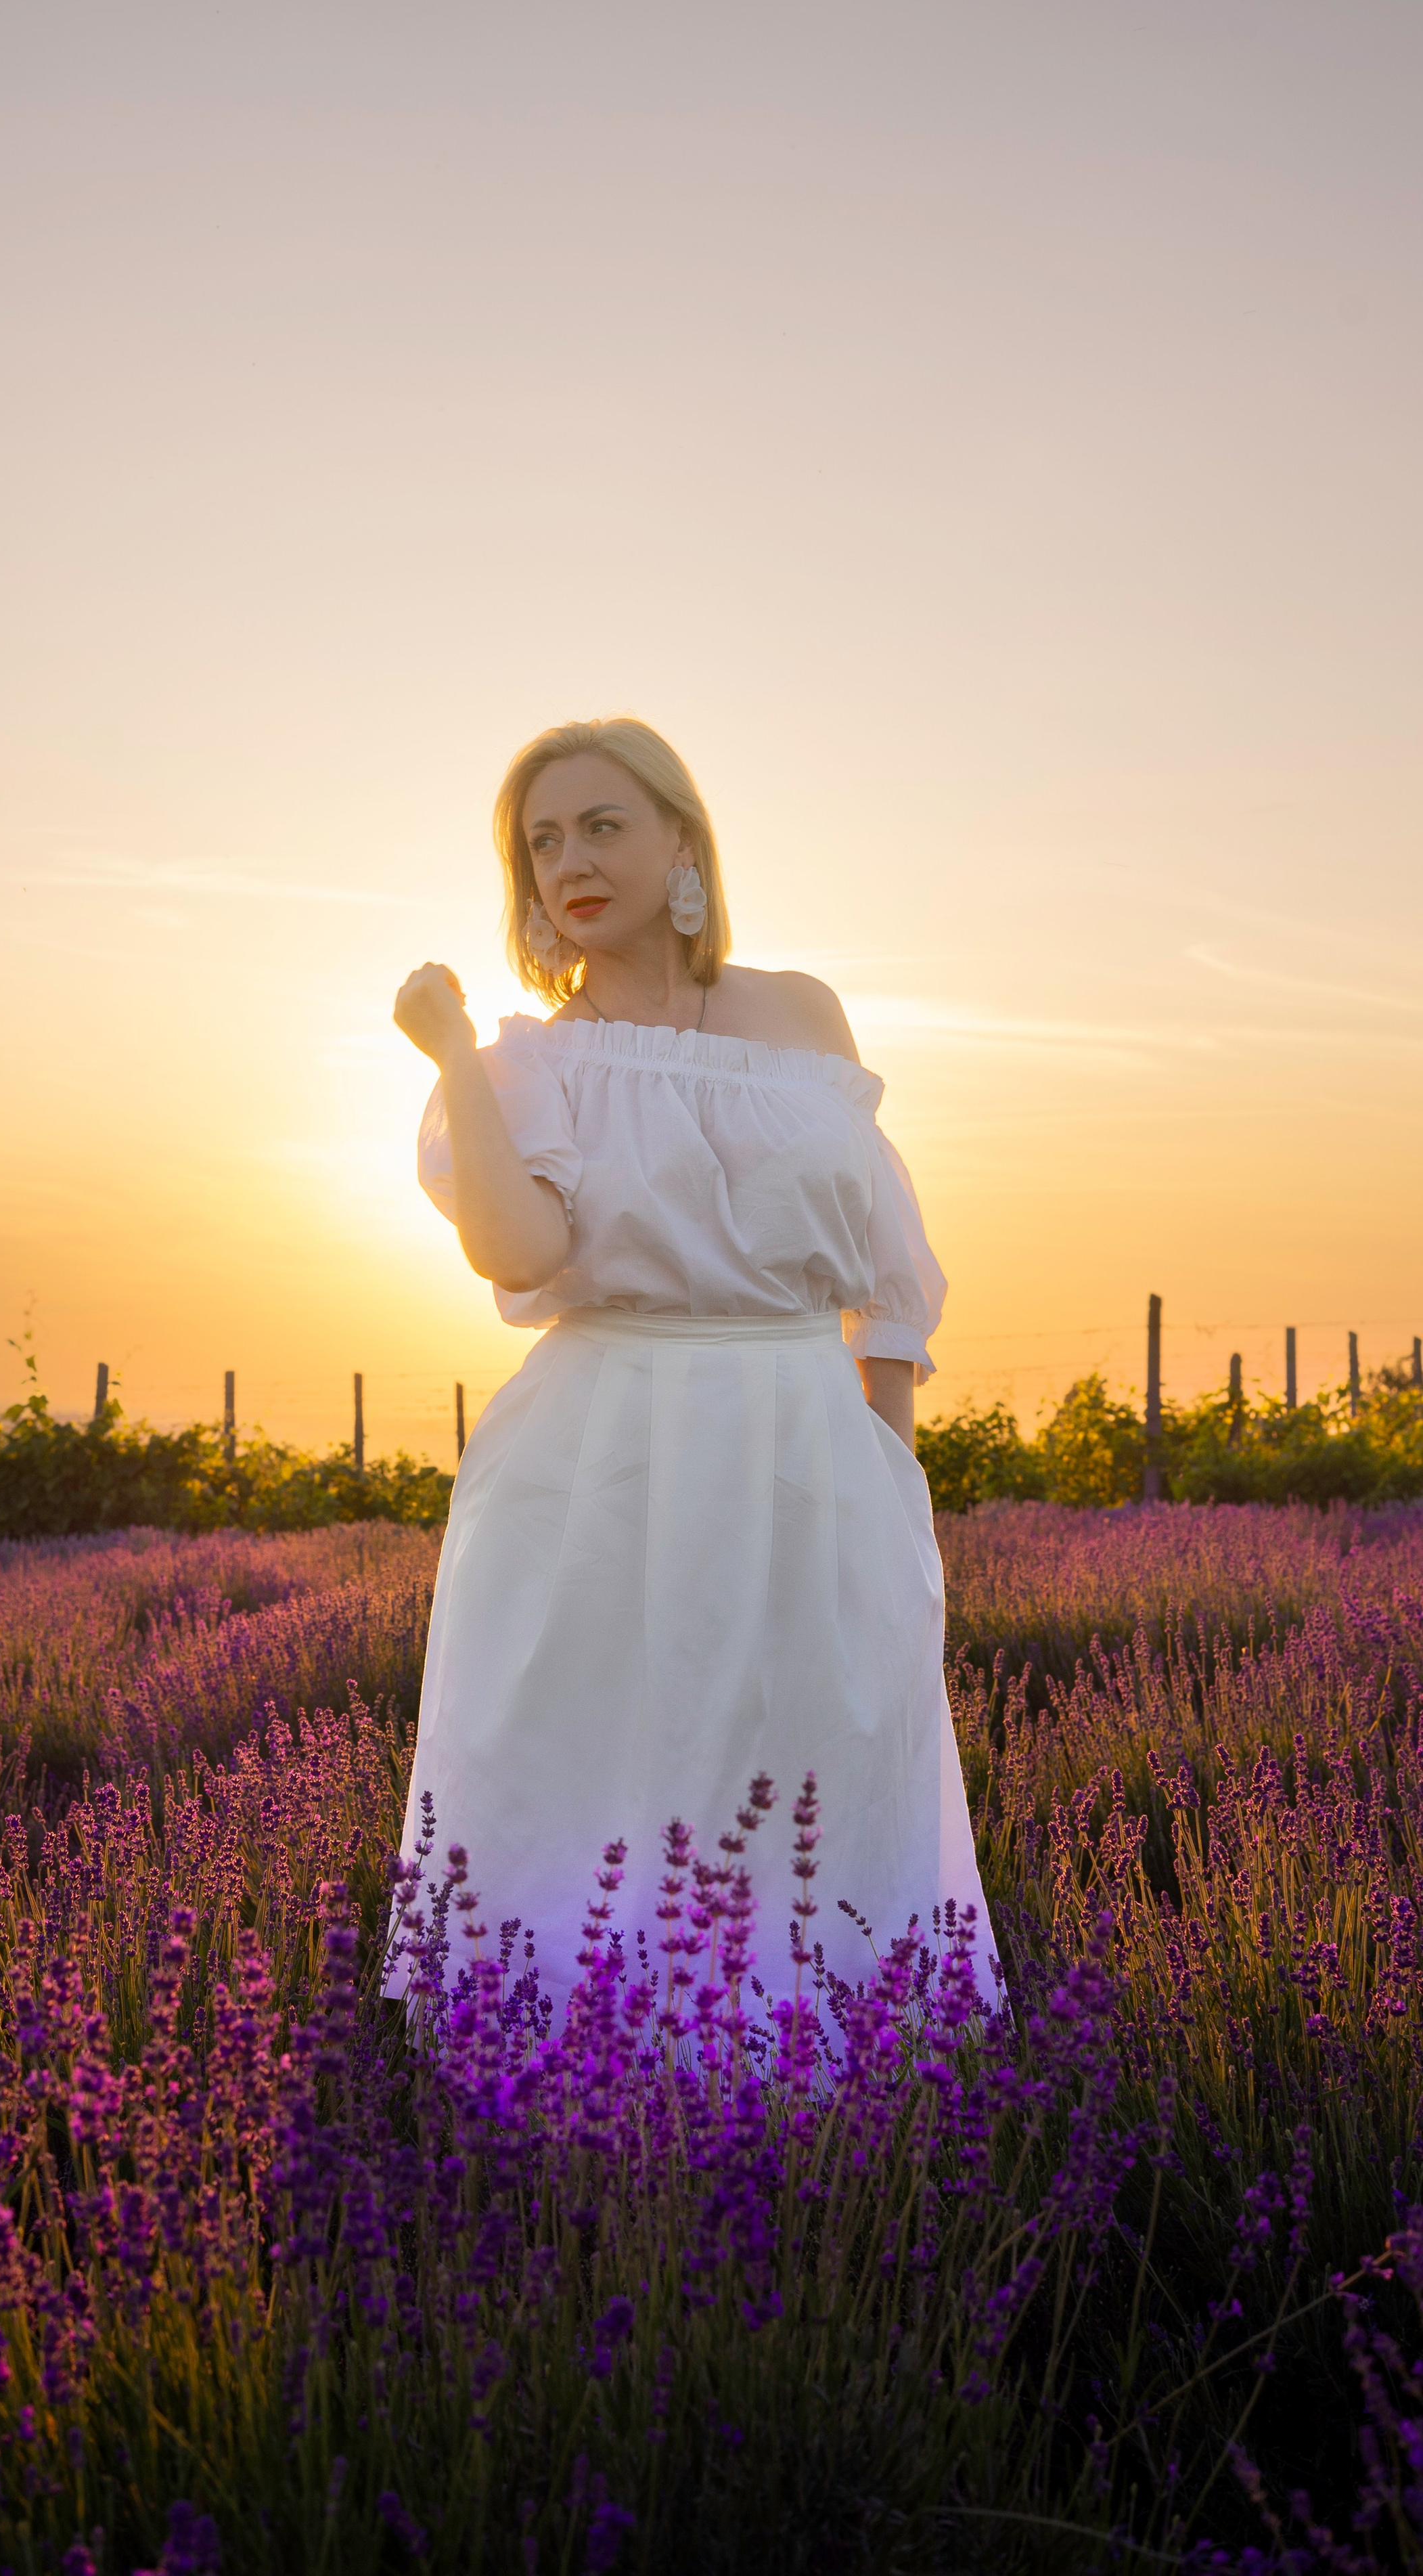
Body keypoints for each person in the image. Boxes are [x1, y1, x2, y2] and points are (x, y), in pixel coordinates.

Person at [391, 716, 995, 2005]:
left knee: (821, 1758)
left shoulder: (802, 1015)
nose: (569, 863)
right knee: (594, 1772)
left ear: (683, 840)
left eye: (602, 825)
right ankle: (572, 2119)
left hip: (802, 1441)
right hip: (596, 1453)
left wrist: (889, 1467)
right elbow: (519, 1249)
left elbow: (882, 1260)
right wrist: (455, 1057)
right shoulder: (523, 1065)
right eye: (541, 842)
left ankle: (831, 2102)